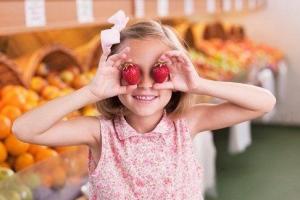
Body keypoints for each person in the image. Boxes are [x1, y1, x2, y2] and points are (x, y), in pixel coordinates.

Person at [12, 13, 276, 200]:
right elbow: (25, 130)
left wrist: (198, 84)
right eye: (132, 72)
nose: (146, 84)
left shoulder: (187, 123)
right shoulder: (100, 133)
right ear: (115, 75)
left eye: (159, 72)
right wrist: (91, 91)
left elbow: (264, 102)